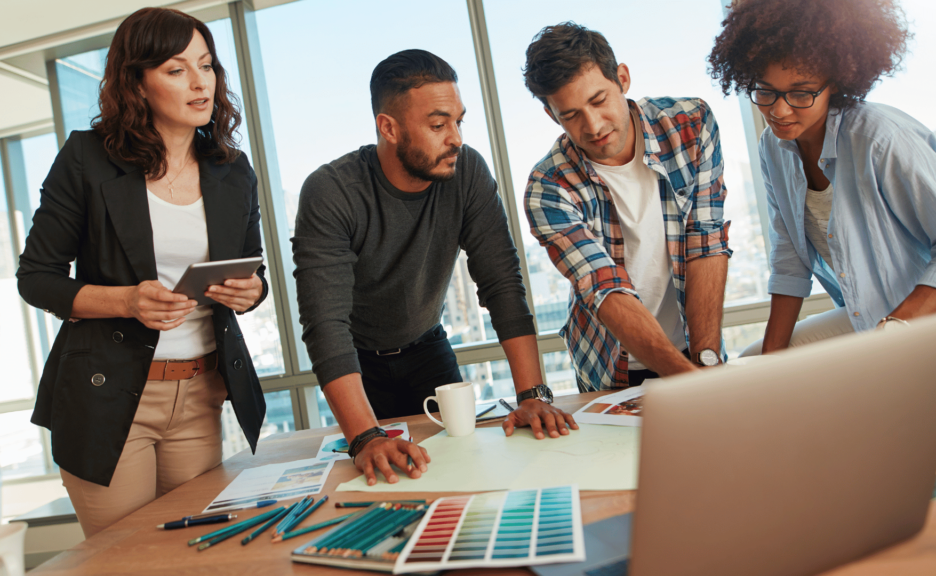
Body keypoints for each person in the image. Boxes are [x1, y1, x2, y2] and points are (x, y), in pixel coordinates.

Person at [16, 7, 268, 537]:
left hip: (200, 394)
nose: (201, 83)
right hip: (107, 397)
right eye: (177, 70)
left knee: (196, 552)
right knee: (127, 560)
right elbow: (37, 276)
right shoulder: (87, 158)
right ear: (137, 83)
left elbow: (252, 269)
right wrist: (126, 301)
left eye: (207, 66)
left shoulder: (231, 169)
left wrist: (252, 290)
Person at [292, 49, 578, 487]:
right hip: (357, 366)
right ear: (388, 127)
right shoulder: (331, 192)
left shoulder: (467, 172)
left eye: (459, 122)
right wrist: (366, 436)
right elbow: (325, 324)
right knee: (382, 484)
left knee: (460, 472)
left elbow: (502, 282)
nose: (457, 138)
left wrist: (532, 395)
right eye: (438, 124)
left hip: (429, 352)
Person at [707, 0, 936, 366]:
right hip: (872, 320)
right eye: (765, 91)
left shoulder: (880, 138)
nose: (779, 111)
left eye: (800, 93)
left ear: (836, 84)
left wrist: (894, 331)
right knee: (753, 361)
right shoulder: (773, 148)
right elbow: (790, 263)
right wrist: (769, 365)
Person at [522, 23, 732, 391]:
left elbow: (706, 241)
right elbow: (605, 289)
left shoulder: (690, 124)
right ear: (551, 115)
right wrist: (691, 383)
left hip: (696, 351)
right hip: (611, 372)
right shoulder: (548, 187)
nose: (593, 125)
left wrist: (705, 365)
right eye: (570, 115)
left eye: (599, 100)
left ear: (622, 78)